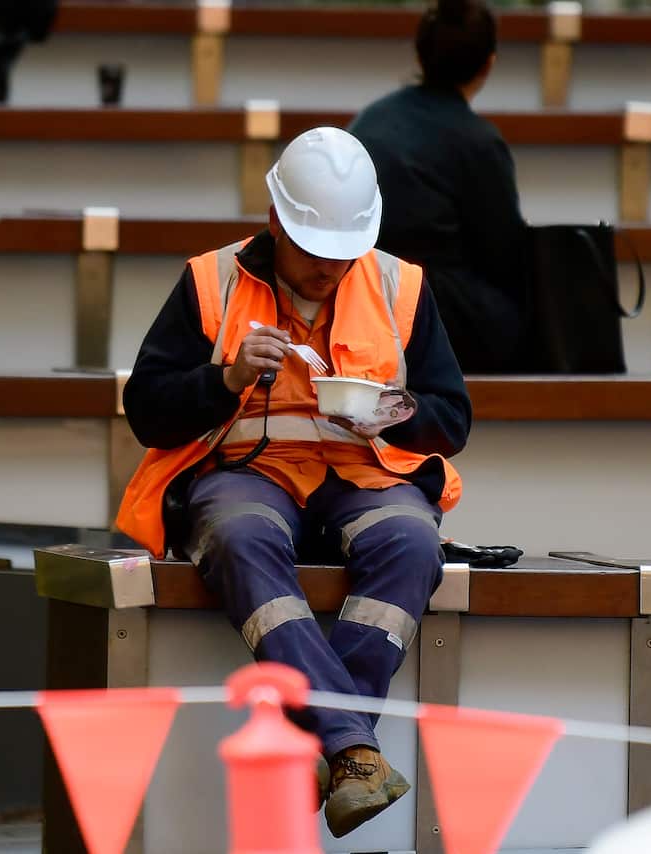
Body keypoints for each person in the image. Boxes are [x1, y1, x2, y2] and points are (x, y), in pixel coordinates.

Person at [117, 127, 472, 838]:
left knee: (411, 542)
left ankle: (330, 747)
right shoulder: (210, 279)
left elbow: (450, 418)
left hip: (364, 473)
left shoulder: (400, 283)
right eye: (315, 252)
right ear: (277, 222)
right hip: (246, 477)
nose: (329, 271)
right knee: (239, 535)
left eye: (345, 254)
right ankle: (354, 747)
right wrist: (228, 378)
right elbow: (148, 410)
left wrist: (396, 415)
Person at [348, 0, 530, 374]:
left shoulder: (369, 120)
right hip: (438, 313)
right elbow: (504, 254)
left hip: (357, 298)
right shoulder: (479, 141)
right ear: (489, 63)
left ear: (420, 53)